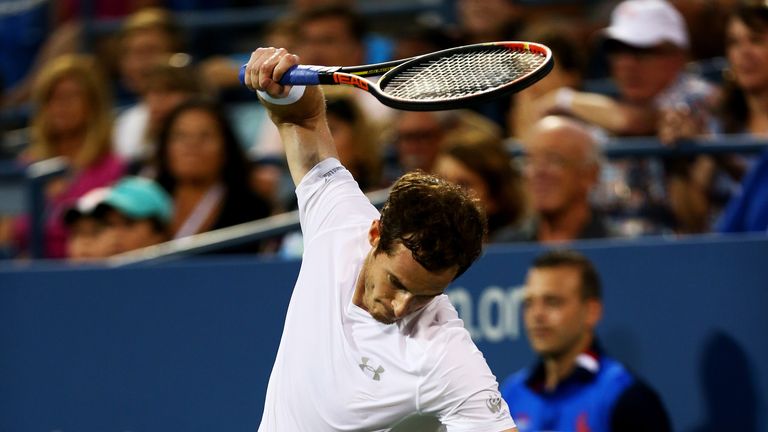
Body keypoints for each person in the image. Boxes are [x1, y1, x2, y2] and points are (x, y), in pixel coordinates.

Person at [242, 47, 517, 431]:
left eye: (425, 295)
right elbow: (302, 120)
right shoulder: (340, 221)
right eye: (398, 283)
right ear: (374, 234)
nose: (403, 306)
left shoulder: (444, 355)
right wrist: (278, 86)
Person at [500, 249, 672, 432]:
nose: (537, 315)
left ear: (591, 312)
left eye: (552, 302)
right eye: (529, 303)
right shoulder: (512, 393)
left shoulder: (628, 399)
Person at [0, 54, 125, 258]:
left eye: (72, 96)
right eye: (52, 97)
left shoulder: (113, 169)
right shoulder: (26, 165)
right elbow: (6, 235)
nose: (61, 105)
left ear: (93, 104)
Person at [155, 98, 272, 248]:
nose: (191, 145)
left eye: (205, 136)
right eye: (180, 136)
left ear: (226, 147)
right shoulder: (144, 202)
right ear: (165, 147)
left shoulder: (253, 209)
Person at [497, 116, 611, 244]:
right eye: (530, 160)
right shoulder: (505, 247)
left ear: (590, 174)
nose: (538, 171)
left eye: (553, 159)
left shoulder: (618, 247)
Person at [433, 137, 527, 242]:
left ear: (495, 197)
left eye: (463, 185)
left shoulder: (520, 246)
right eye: (440, 181)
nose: (447, 194)